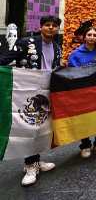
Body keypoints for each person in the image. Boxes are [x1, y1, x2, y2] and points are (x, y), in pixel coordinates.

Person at [0, 15, 61, 186]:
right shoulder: (26, 42)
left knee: (41, 127)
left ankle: (37, 160)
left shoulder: (57, 47)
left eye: (54, 26)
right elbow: (5, 59)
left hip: (47, 91)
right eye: (47, 25)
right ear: (41, 27)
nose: (51, 28)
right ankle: (30, 166)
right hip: (27, 92)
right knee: (29, 126)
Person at [68, 26, 96, 158]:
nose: (92, 37)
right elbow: (73, 73)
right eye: (89, 35)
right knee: (83, 119)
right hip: (83, 93)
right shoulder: (75, 54)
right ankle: (85, 145)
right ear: (84, 37)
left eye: (94, 35)